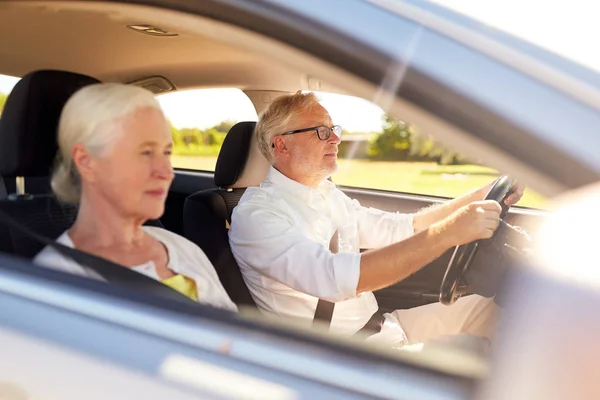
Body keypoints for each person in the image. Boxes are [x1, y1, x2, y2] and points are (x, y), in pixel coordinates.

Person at [228, 91, 523, 347]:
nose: (335, 140)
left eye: (334, 129)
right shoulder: (257, 216)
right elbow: (333, 277)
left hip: (381, 329)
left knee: (507, 312)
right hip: (338, 353)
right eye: (320, 131)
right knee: (476, 361)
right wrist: (449, 233)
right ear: (282, 145)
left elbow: (399, 228)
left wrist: (483, 194)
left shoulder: (326, 193)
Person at [34, 83, 236, 312]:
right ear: (86, 161)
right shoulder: (56, 280)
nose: (166, 172)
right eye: (145, 152)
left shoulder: (180, 248)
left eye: (167, 152)